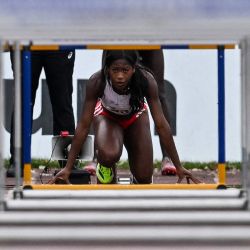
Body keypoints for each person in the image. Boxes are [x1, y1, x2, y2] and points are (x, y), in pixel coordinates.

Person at [49, 50, 200, 185]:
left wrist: (178, 166)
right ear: (107, 69)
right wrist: (68, 168)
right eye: (115, 70)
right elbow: (83, 126)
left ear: (134, 69)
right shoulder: (97, 81)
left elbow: (161, 125)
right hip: (107, 118)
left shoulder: (147, 80)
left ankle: (137, 176)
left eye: (125, 70)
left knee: (144, 177)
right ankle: (105, 166)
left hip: (136, 118)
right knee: (109, 154)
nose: (120, 76)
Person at [7, 50, 76, 177]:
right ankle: (18, 161)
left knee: (63, 102)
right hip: (25, 39)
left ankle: (68, 162)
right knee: (22, 102)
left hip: (59, 39)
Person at [138, 50, 176, 175]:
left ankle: (168, 158)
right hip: (121, 37)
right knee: (108, 86)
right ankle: (98, 158)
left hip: (150, 40)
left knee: (159, 94)